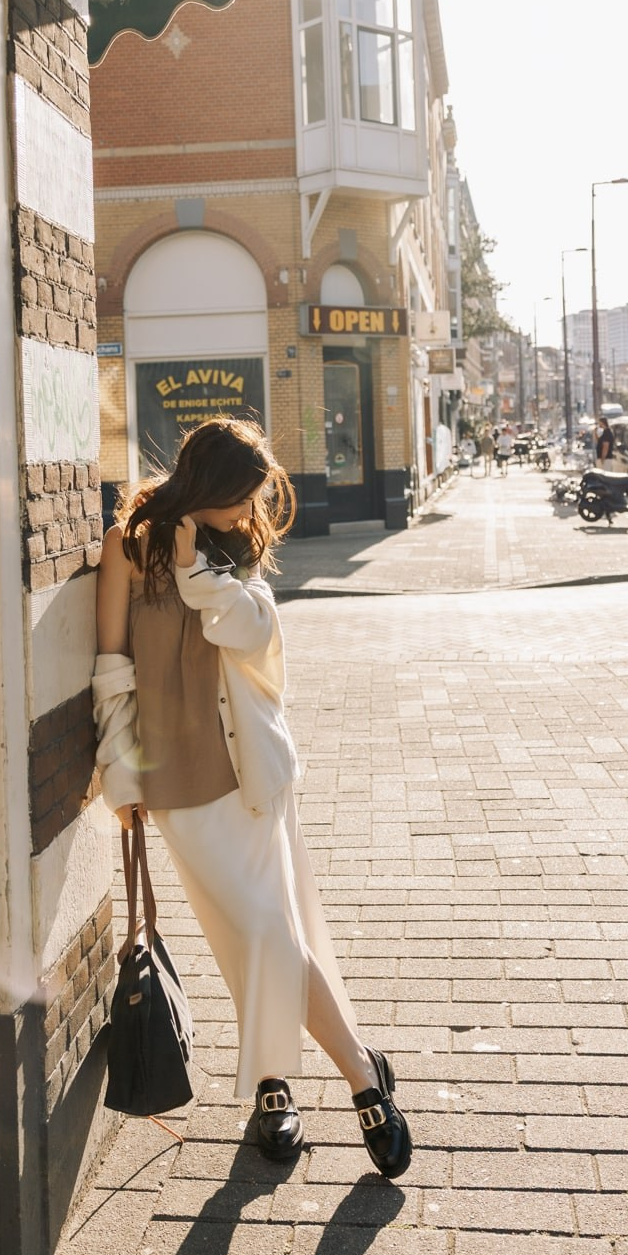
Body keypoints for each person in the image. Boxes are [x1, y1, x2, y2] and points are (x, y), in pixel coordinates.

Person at [92, 417, 412, 1178]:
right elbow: (111, 668)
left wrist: (203, 573)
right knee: (249, 932)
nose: (250, 513)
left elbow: (257, 640)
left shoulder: (225, 551)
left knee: (268, 928)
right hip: (175, 782)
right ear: (207, 484)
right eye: (242, 498)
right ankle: (352, 1061)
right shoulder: (127, 548)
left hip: (253, 772)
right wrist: (122, 772)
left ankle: (311, 1087)